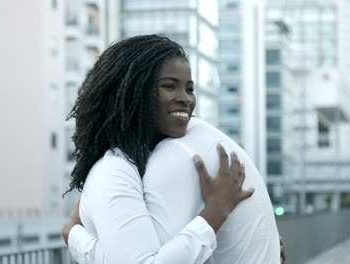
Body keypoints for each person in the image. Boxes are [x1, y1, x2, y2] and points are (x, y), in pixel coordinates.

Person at [63, 34, 281, 263]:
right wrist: (215, 212)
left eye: (189, 89)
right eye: (169, 86)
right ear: (131, 91)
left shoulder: (160, 158)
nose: (185, 99)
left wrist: (75, 236)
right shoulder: (115, 169)